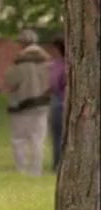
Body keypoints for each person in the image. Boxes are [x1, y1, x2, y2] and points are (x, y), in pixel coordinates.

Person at [2, 29, 52, 176]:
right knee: (38, 139)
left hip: (20, 106)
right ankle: (36, 170)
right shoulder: (47, 65)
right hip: (41, 106)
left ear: (22, 44)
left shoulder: (18, 65)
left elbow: (10, 82)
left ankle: (21, 169)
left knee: (19, 139)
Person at [47, 36, 66, 171]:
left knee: (58, 134)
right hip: (60, 100)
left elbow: (55, 84)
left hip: (60, 101)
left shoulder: (60, 65)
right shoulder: (57, 64)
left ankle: (58, 162)